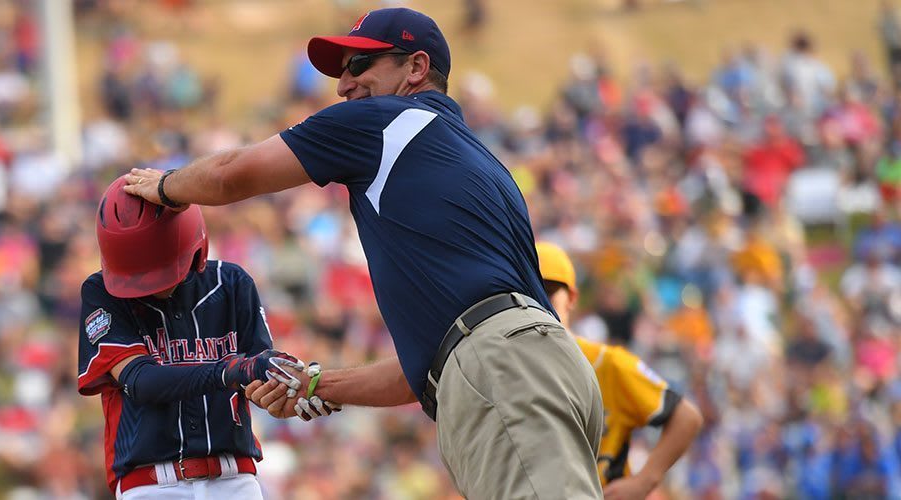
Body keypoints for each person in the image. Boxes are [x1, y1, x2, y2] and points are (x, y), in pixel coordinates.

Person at [123, 7, 604, 498]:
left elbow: (231, 174)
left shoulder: (386, 120)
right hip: (540, 366)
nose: (342, 86)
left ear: (416, 68)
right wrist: (315, 385)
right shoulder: (480, 158)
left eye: (359, 66)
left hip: (505, 370)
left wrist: (164, 185)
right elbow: (425, 367)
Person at [77, 175, 304, 499]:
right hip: (151, 484)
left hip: (234, 477)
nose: (148, 284)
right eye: (137, 274)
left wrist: (292, 385)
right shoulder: (101, 292)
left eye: (156, 271)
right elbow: (141, 381)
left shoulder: (232, 283)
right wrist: (230, 371)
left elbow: (257, 379)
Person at [535, 241, 704, 500]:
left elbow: (686, 418)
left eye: (548, 292)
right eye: (530, 293)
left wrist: (643, 482)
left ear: (571, 298)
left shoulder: (608, 362)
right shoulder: (503, 370)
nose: (539, 303)